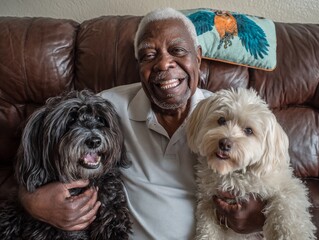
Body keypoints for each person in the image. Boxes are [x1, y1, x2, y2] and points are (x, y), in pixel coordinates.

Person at [19, 7, 265, 239]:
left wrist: (259, 219)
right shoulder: (106, 109)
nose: (164, 63)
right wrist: (33, 202)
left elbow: (275, 186)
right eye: (149, 55)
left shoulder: (228, 119)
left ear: (198, 57)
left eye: (178, 51)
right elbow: (41, 159)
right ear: (139, 66)